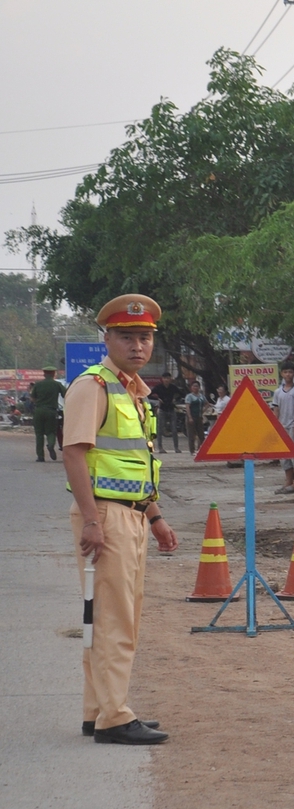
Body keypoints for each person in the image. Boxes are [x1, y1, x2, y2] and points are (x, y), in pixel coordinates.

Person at [63, 295, 179, 744]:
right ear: (106, 339)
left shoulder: (132, 392)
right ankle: (115, 717)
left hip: (128, 515)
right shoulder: (93, 386)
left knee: (110, 615)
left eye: (145, 337)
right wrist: (92, 521)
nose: (137, 345)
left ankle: (98, 710)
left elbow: (131, 466)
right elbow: (75, 455)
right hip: (106, 518)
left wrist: (155, 517)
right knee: (114, 619)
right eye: (127, 337)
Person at [272, 365, 294, 493]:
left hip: (293, 425)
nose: (288, 374)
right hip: (282, 425)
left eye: (290, 372)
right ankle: (288, 481)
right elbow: (276, 410)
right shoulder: (277, 392)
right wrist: (275, 427)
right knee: (284, 455)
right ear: (282, 374)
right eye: (285, 371)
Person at [30, 365, 63, 462]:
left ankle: (40, 457)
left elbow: (32, 399)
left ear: (44, 374)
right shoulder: (57, 384)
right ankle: (51, 445)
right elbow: (66, 394)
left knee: (39, 434)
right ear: (53, 374)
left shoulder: (38, 384)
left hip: (39, 411)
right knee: (51, 432)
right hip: (51, 411)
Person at [150, 373, 187, 453]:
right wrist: (158, 399)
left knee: (174, 429)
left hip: (171, 409)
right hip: (162, 409)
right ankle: (160, 447)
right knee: (160, 429)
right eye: (165, 378)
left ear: (170, 379)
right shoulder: (158, 387)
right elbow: (149, 394)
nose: (166, 380)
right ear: (162, 379)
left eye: (168, 378)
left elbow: (182, 394)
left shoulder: (173, 387)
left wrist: (175, 399)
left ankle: (176, 448)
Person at [182, 379, 209, 452]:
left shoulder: (201, 396)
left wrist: (202, 411)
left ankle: (200, 449)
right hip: (191, 416)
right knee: (191, 435)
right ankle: (192, 450)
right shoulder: (189, 396)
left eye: (197, 386)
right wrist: (190, 417)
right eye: (194, 386)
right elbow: (187, 406)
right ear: (191, 387)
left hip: (199, 417)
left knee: (201, 434)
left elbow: (207, 404)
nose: (195, 388)